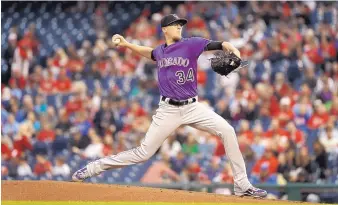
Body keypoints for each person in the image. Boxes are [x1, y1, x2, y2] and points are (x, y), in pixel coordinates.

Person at [72, 14, 267, 198]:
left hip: (193, 107)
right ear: (165, 29)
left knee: (228, 131)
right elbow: (150, 53)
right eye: (176, 25)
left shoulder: (191, 44)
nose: (179, 27)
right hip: (168, 110)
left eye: (181, 25)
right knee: (143, 153)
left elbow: (220, 44)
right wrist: (126, 44)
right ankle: (93, 168)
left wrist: (234, 50)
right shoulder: (160, 50)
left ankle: (242, 185)